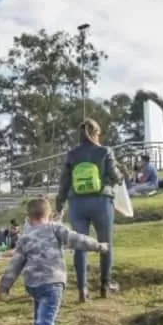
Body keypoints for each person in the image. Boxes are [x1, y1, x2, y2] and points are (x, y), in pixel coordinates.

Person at [0, 197, 108, 325]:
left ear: (29, 218)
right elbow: (77, 239)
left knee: (39, 318)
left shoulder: (25, 238)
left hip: (33, 284)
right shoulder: (55, 228)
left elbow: (15, 264)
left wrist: (4, 287)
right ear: (48, 215)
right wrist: (100, 246)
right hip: (52, 282)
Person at [56, 118, 122, 303]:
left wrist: (59, 205)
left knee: (79, 245)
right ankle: (105, 285)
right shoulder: (104, 151)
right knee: (105, 243)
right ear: (96, 133)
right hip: (101, 202)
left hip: (77, 203)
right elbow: (115, 176)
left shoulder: (72, 154)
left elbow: (64, 182)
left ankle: (82, 289)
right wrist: (121, 175)